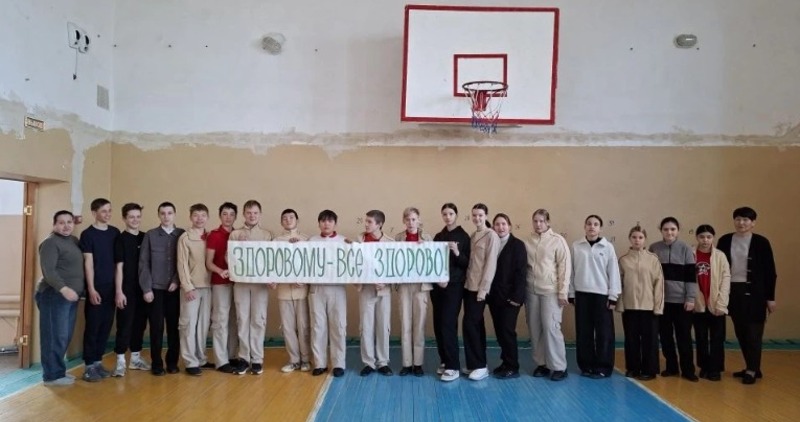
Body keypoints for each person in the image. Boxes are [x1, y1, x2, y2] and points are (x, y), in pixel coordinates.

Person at [716, 207, 777, 385]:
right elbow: (717, 264)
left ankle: (752, 369)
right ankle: (752, 367)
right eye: (738, 219)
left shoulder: (761, 242)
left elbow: (770, 272)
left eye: (745, 220)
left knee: (753, 333)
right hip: (733, 291)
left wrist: (770, 298)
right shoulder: (725, 240)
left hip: (756, 293)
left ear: (753, 223)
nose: (741, 223)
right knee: (741, 331)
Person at [569, 214, 621, 379]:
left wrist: (613, 295)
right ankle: (586, 366)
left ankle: (603, 367)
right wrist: (571, 293)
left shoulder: (608, 247)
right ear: (584, 227)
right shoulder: (576, 246)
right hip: (582, 294)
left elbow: (614, 272)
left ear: (600, 228)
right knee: (584, 332)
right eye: (589, 224)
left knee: (604, 333)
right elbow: (571, 271)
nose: (592, 227)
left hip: (602, 296)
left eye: (596, 224)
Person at [37, 211, 84, 386]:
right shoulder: (50, 243)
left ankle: (58, 372)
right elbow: (48, 271)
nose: (66, 226)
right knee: (54, 335)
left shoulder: (72, 240)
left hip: (70, 297)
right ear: (54, 224)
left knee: (64, 335)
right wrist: (64, 289)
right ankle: (51, 376)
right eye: (61, 223)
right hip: (54, 295)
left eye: (69, 222)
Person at [524, 209, 571, 382]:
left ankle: (559, 366)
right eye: (535, 221)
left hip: (551, 291)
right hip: (531, 291)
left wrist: (563, 292)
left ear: (548, 222)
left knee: (551, 328)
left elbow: (564, 267)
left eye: (542, 221)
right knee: (535, 329)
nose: (538, 224)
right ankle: (542, 364)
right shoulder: (527, 241)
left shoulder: (557, 241)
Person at [649, 217, 698, 382]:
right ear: (661, 230)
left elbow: (691, 276)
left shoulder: (685, 248)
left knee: (684, 337)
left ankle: (688, 370)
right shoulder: (654, 248)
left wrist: (690, 298)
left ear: (678, 230)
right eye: (666, 229)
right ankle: (671, 367)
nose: (669, 232)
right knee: (665, 337)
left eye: (672, 229)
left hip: (682, 302)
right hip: (662, 302)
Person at [140, 201, 185, 376]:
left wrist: (176, 280)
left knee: (174, 327)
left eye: (169, 213)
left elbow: (184, 261)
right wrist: (146, 288)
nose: (166, 216)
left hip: (174, 290)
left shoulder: (181, 234)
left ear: (174, 214)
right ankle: (157, 363)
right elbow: (144, 263)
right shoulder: (150, 235)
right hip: (155, 290)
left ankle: (172, 363)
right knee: (156, 327)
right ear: (158, 215)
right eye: (163, 213)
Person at [229, 200, 273, 375]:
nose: (252, 216)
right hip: (241, 283)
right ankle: (244, 358)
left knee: (258, 320)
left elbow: (272, 259)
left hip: (260, 285)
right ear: (243, 214)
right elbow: (227, 257)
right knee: (242, 319)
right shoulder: (235, 234)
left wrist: (272, 278)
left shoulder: (267, 235)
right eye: (248, 213)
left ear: (260, 214)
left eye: (255, 213)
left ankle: (257, 359)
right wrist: (238, 245)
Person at [80, 198, 121, 382]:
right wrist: (91, 288)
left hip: (111, 288)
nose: (107, 214)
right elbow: (88, 263)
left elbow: (118, 263)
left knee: (106, 326)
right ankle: (89, 366)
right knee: (93, 327)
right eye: (104, 211)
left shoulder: (114, 232)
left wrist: (118, 288)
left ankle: (98, 362)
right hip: (96, 287)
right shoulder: (87, 234)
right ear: (94, 213)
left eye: (109, 210)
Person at [617, 225, 664, 381]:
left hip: (649, 307)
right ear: (630, 239)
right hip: (630, 307)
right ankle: (633, 368)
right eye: (634, 237)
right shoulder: (623, 260)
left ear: (645, 239)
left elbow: (659, 284)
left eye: (640, 237)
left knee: (650, 340)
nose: (637, 240)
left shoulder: (653, 259)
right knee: (631, 339)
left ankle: (649, 370)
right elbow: (619, 284)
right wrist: (620, 304)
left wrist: (658, 306)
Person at [432, 203, 470, 382]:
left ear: (456, 215)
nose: (448, 217)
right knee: (438, 324)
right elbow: (432, 260)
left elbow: (466, 264)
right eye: (445, 214)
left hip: (454, 287)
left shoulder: (463, 237)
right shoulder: (439, 236)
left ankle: (453, 366)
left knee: (448, 324)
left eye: (451, 214)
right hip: (437, 287)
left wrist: (456, 252)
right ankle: (444, 360)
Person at [111, 203, 150, 377]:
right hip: (126, 289)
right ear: (124, 218)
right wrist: (119, 291)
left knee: (140, 324)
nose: (135, 220)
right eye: (131, 217)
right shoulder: (120, 239)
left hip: (143, 289)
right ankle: (120, 362)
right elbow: (119, 268)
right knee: (125, 324)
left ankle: (135, 359)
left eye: (138, 216)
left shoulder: (145, 237)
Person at [309, 210, 348, 378]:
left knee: (338, 326)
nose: (326, 224)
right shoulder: (311, 241)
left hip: (337, 288)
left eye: (330, 221)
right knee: (318, 326)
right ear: (319, 223)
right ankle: (320, 363)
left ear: (335, 224)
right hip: (316, 289)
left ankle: (338, 363)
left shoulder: (344, 241)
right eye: (323, 221)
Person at [394, 207, 433, 377]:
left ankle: (418, 363)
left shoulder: (427, 238)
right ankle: (406, 363)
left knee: (419, 325)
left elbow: (433, 260)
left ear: (419, 220)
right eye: (408, 219)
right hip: (404, 285)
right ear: (404, 220)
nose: (411, 222)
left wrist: (426, 248)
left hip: (421, 286)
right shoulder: (398, 238)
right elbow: (393, 260)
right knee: (405, 324)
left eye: (414, 219)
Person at [463, 203, 500, 381]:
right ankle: (474, 363)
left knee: (471, 325)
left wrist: (483, 290)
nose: (477, 218)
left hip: (480, 289)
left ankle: (480, 366)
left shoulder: (491, 235)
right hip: (469, 287)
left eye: (480, 215)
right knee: (473, 326)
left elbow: (490, 264)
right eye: (474, 215)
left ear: (486, 216)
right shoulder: (473, 235)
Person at [487, 213, 527, 379]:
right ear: (493, 227)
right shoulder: (493, 243)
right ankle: (505, 362)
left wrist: (517, 298)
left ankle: (512, 366)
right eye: (497, 224)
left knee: (507, 331)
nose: (501, 227)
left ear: (509, 226)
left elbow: (521, 273)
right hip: (495, 297)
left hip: (511, 299)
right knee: (500, 332)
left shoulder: (517, 245)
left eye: (503, 224)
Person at [274, 209, 312, 374]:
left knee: (303, 326)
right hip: (283, 291)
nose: (288, 220)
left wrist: (305, 280)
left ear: (297, 220)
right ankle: (294, 360)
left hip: (301, 290)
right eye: (284, 218)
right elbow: (273, 265)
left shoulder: (306, 240)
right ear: (281, 222)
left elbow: (312, 264)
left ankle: (305, 359)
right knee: (288, 327)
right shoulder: (276, 241)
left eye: (291, 217)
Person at [177, 203, 214, 376]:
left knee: (203, 325)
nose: (200, 219)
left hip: (208, 287)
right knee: (188, 325)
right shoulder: (185, 238)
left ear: (207, 217)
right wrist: (187, 287)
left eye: (203, 215)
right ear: (191, 217)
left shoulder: (210, 236)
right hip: (191, 288)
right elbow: (182, 264)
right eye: (196, 215)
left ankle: (201, 358)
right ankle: (190, 361)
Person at [692, 224, 731, 382]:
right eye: (702, 237)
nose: (705, 240)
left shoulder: (720, 256)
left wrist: (722, 303)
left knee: (717, 338)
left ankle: (715, 369)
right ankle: (704, 366)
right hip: (698, 304)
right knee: (701, 337)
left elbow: (726, 279)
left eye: (708, 237)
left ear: (713, 238)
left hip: (716, 303)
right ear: (697, 237)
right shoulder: (691, 254)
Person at [357, 210, 393, 377]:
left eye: (369, 222)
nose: (366, 224)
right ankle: (368, 363)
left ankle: (383, 362)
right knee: (366, 326)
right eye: (366, 221)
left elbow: (396, 268)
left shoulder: (390, 243)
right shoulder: (359, 241)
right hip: (366, 289)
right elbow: (355, 266)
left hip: (383, 290)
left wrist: (386, 282)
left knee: (383, 326)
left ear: (379, 224)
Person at [206, 202, 241, 373]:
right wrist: (221, 271)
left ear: (236, 217)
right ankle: (221, 360)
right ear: (220, 216)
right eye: (225, 214)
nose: (228, 217)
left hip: (238, 284)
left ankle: (232, 355)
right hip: (220, 283)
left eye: (231, 214)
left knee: (234, 321)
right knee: (220, 321)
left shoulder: (238, 235)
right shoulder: (214, 235)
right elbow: (209, 263)